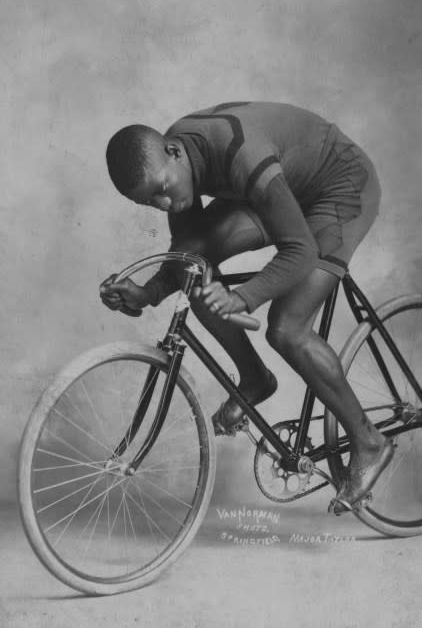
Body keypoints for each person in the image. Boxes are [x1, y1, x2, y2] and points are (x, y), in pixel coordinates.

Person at [99, 101, 395, 514]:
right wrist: (146, 294)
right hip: (285, 187)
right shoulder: (178, 158)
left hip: (339, 187)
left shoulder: (240, 154)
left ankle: (370, 442)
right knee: (197, 271)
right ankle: (254, 379)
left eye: (163, 190)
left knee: (287, 330)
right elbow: (187, 253)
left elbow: (301, 251)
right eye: (151, 203)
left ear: (173, 152)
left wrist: (243, 297)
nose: (165, 206)